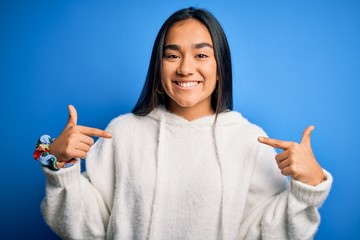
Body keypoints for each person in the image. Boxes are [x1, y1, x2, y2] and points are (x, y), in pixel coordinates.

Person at [35, 7, 332, 239]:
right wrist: (60, 165)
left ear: (220, 67)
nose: (186, 68)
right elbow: (87, 229)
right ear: (158, 67)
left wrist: (309, 186)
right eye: (172, 55)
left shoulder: (249, 140)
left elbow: (268, 233)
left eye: (201, 54)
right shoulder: (122, 133)